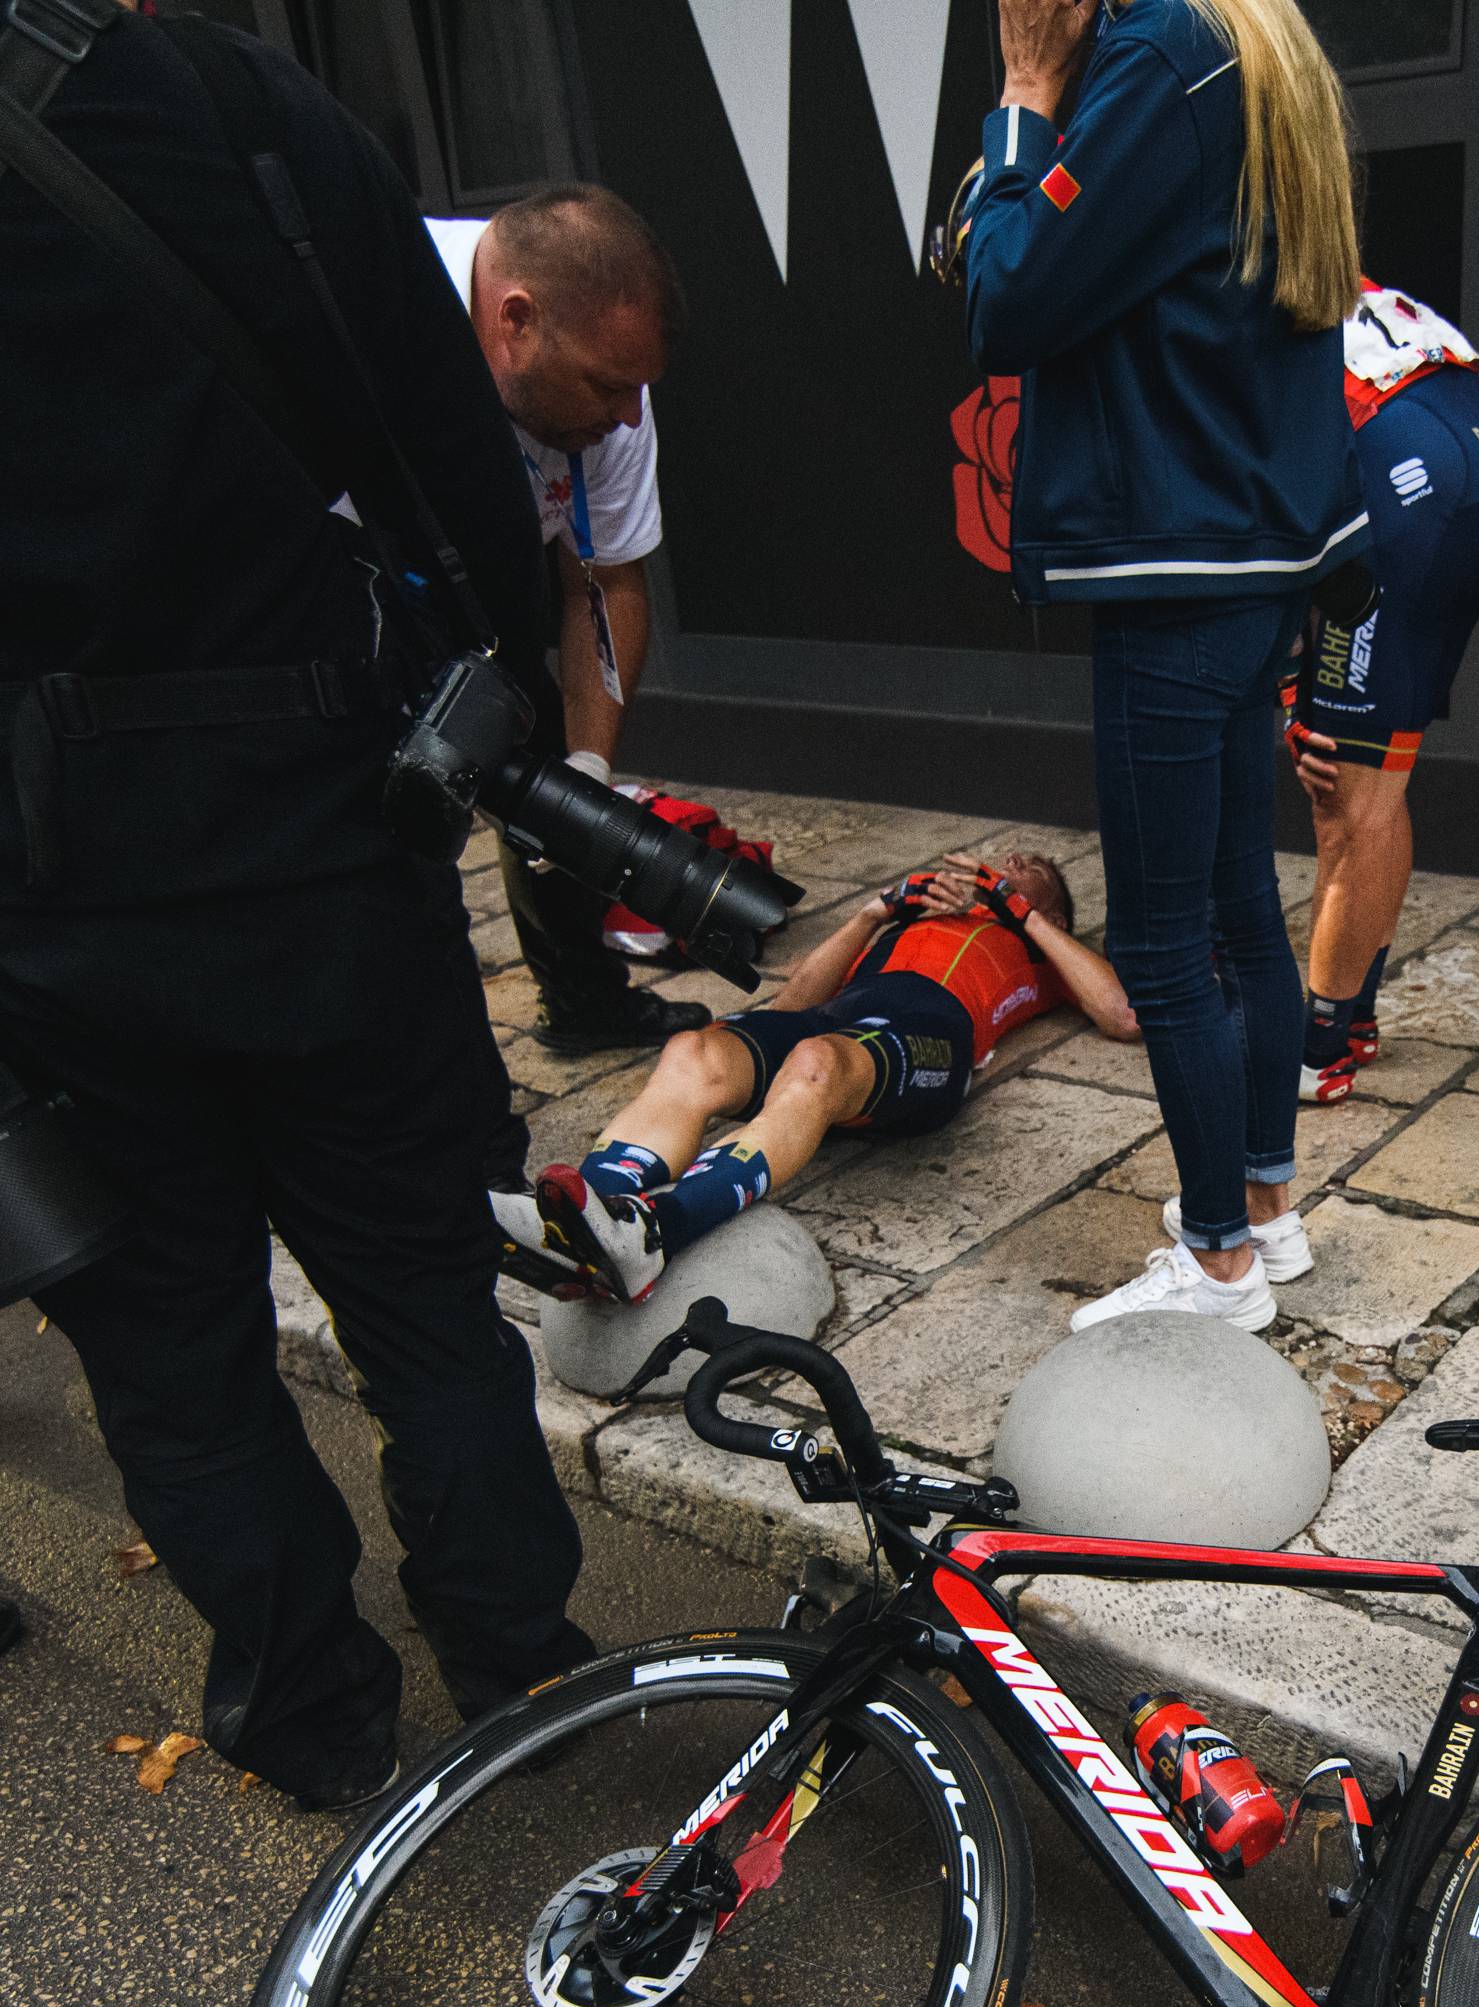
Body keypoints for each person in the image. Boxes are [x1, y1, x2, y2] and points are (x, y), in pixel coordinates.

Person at [0, 0, 595, 1807]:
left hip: (51, 893)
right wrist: (511, 709)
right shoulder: (218, 98)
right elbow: (446, 443)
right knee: (426, 1300)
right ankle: (517, 1659)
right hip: (332, 818)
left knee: (172, 1352)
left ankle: (309, 1703)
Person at [964, 0, 1366, 1335]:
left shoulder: (1157, 57)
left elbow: (1007, 289)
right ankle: (1261, 1207)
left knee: (1159, 934)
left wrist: (1026, 93)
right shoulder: (1261, 44)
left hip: (1174, 566)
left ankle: (1216, 1266)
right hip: (1250, 558)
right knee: (1238, 904)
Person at [493, 857, 1138, 1300]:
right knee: (695, 1051)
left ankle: (655, 1230)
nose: (1006, 865)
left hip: (930, 1039)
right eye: (1008, 861)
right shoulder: (911, 925)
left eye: (1031, 869)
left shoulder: (1037, 954)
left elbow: (1120, 1014)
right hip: (837, 1020)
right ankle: (585, 1220)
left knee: (817, 1063)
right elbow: (791, 1008)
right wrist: (874, 914)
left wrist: (1028, 917)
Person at [425, 190, 712, 1055]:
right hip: (337, 584)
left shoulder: (607, 378)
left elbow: (610, 579)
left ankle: (583, 1000)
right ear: (515, 321)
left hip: (495, 581)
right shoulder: (393, 303)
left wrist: (586, 775)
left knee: (554, 787)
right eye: (608, 387)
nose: (628, 416)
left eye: (639, 390)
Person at [1286, 280, 1479, 1097]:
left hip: (1415, 482)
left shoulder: (1216, 287)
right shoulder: (1321, 263)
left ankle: (1319, 1050)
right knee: (1380, 782)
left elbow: (1264, 518)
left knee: (1344, 804)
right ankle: (1353, 1013)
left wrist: (1290, 693)